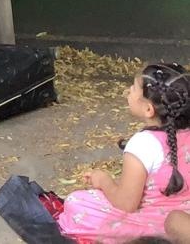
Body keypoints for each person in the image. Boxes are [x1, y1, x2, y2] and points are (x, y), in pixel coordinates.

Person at [57, 63, 190, 241]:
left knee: (76, 202)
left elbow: (127, 203)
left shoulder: (143, 143)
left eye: (134, 88)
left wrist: (104, 181)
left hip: (151, 222)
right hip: (185, 220)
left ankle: (152, 238)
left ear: (148, 109)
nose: (128, 91)